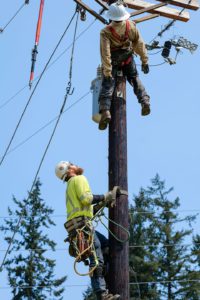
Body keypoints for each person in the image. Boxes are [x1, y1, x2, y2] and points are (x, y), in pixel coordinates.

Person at [55, 161, 120, 300]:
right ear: (69, 170)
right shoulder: (79, 179)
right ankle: (102, 294)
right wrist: (105, 196)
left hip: (78, 227)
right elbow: (87, 199)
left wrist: (103, 202)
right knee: (96, 261)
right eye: (71, 164)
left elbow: (86, 209)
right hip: (83, 228)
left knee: (106, 246)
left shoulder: (69, 186)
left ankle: (107, 282)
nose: (74, 164)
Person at [99, 2, 150, 130]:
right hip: (128, 58)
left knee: (107, 84)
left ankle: (105, 111)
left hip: (114, 60)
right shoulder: (131, 26)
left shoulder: (105, 32)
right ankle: (145, 101)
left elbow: (105, 54)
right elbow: (140, 44)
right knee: (134, 78)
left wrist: (108, 71)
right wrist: (144, 61)